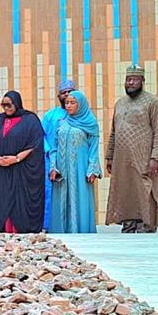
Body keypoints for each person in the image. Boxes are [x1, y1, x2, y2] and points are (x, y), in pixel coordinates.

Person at [104, 65, 158, 233]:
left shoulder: (152, 102)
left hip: (143, 156)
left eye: (134, 79)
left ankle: (146, 224)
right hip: (121, 158)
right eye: (128, 79)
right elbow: (114, 132)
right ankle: (128, 223)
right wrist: (109, 156)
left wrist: (156, 157)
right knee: (125, 189)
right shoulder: (120, 103)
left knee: (144, 189)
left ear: (142, 81)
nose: (130, 83)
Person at [0, 91, 45, 233]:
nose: (6, 108)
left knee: (20, 202)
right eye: (3, 105)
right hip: (1, 171)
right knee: (3, 201)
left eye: (9, 105)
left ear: (16, 103)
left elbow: (35, 145)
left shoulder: (30, 120)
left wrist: (16, 158)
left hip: (21, 171)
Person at [49, 90, 101, 233]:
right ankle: (62, 233)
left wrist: (93, 168)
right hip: (62, 171)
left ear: (81, 104)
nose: (69, 106)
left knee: (80, 199)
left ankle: (82, 232)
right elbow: (53, 147)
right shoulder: (61, 123)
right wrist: (53, 167)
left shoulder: (90, 123)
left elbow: (94, 148)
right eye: (67, 103)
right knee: (62, 200)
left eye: (72, 103)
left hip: (80, 170)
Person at [43, 80, 74, 230]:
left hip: (74, 161)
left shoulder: (80, 115)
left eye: (70, 91)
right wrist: (50, 152)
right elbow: (41, 135)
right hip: (51, 161)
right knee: (51, 194)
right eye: (64, 92)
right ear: (59, 96)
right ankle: (50, 226)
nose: (67, 95)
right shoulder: (51, 115)